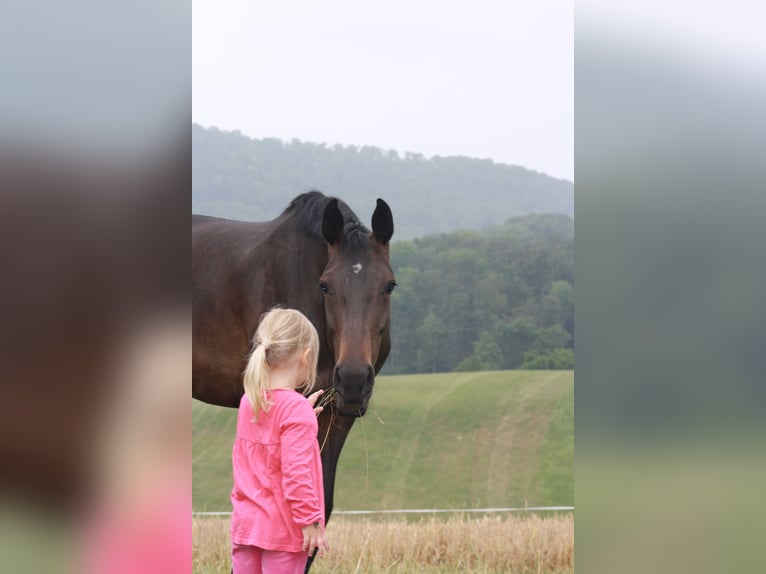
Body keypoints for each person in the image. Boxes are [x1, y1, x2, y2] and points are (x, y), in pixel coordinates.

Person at [231, 308, 329, 574]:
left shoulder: (249, 401)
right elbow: (296, 472)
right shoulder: (295, 410)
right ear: (306, 357)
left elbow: (267, 440)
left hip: (246, 529)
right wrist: (309, 520)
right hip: (283, 534)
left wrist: (301, 414)